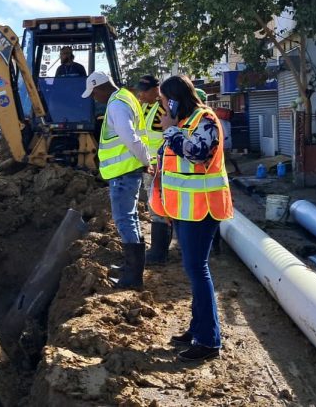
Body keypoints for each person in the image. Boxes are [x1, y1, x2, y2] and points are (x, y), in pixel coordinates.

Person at [150, 75, 233, 363]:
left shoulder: (204, 118)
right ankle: (197, 329)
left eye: (163, 100)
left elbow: (198, 154)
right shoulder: (184, 122)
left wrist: (171, 132)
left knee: (198, 270)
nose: (161, 106)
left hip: (203, 208)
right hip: (185, 210)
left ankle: (209, 341)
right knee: (194, 270)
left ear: (174, 99)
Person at [82, 70, 149, 289]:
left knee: (124, 220)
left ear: (101, 87)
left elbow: (130, 136)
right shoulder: (125, 97)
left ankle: (133, 276)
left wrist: (145, 161)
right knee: (131, 218)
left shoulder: (116, 105)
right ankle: (133, 268)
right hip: (128, 171)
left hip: (124, 173)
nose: (94, 98)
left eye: (94, 93)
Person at [135, 74, 173, 266]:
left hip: (160, 165)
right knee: (154, 207)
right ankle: (157, 250)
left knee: (160, 208)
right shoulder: (143, 107)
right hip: (148, 166)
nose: (141, 94)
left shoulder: (163, 109)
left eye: (145, 90)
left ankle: (159, 253)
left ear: (156, 90)